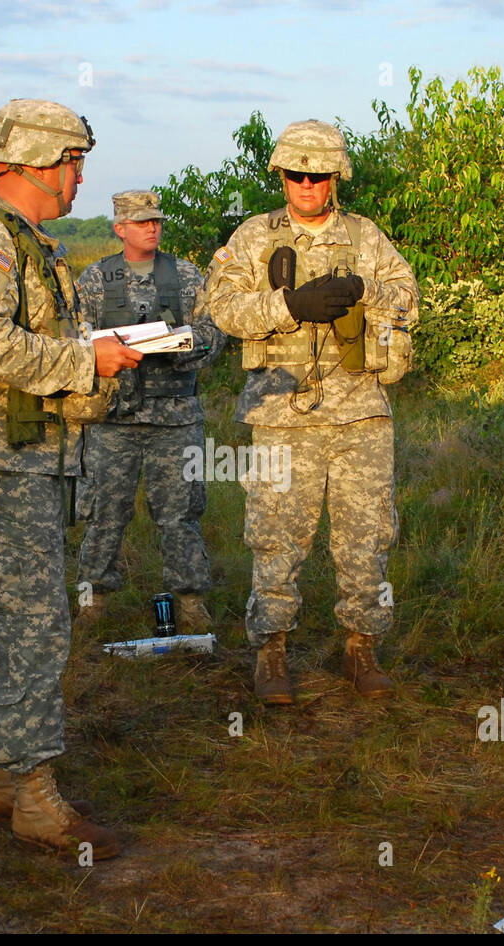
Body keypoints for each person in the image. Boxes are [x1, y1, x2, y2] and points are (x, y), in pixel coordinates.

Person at [0, 99, 141, 859]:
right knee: (34, 626)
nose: (79, 178)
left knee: (8, 624)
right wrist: (87, 361)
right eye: (74, 162)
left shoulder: (24, 241)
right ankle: (36, 796)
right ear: (43, 163)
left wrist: (96, 351)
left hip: (19, 456)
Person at [203, 120, 419, 705]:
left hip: (359, 414)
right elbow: (220, 308)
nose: (305, 184)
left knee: (366, 535)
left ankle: (360, 648)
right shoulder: (252, 237)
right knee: (275, 537)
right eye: (295, 173)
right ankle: (271, 653)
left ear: (335, 177)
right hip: (281, 412)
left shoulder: (365, 237)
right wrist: (289, 304)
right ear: (279, 174)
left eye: (317, 174)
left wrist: (362, 290)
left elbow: (409, 296)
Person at [73, 190, 227, 634]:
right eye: (141, 222)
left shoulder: (185, 274)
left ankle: (191, 601)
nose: (152, 228)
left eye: (156, 221)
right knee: (103, 512)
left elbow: (213, 331)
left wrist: (180, 344)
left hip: (174, 417)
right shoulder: (95, 279)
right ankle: (92, 602)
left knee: (181, 513)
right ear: (119, 228)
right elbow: (76, 338)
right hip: (113, 418)